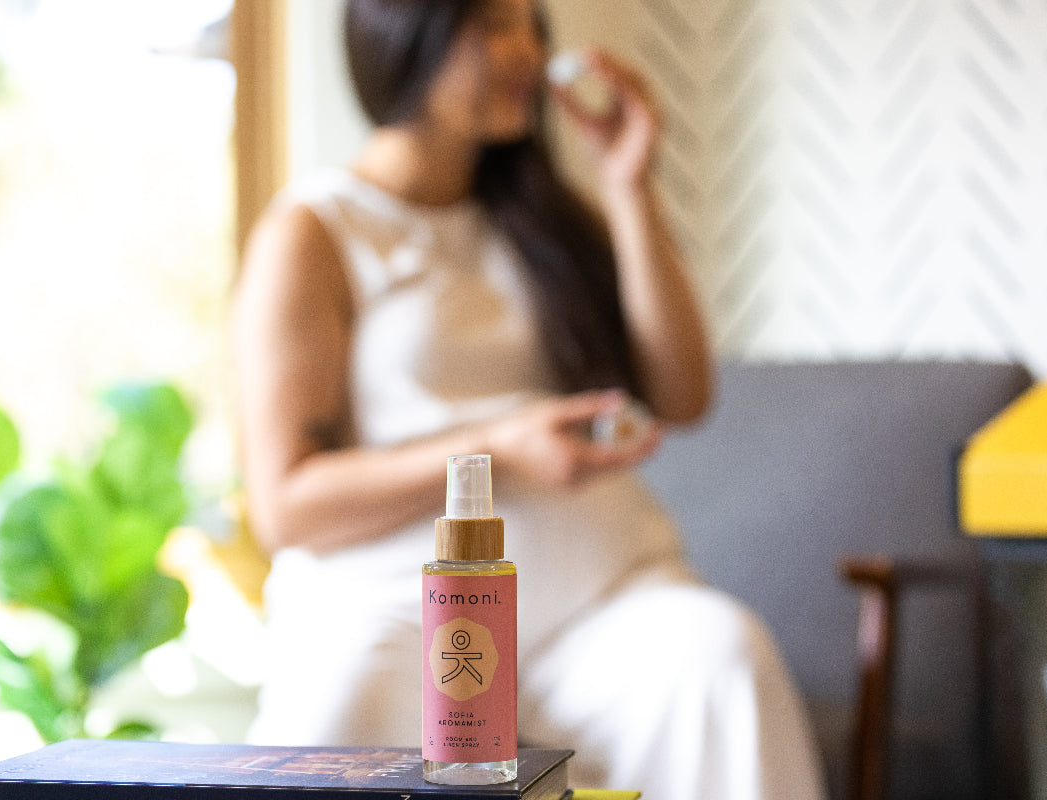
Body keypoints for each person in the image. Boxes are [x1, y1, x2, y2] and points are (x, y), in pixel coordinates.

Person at [231, 1, 824, 798]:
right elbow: (286, 506)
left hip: (597, 607)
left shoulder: (541, 217)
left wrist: (628, 184)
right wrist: (499, 445)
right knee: (329, 725)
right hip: (397, 618)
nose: (527, 54)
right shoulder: (315, 234)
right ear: (405, 35)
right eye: (491, 29)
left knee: (722, 661)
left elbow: (682, 395)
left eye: (530, 28)